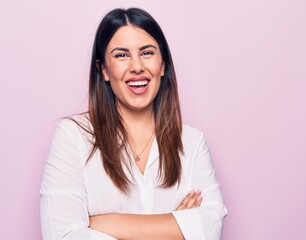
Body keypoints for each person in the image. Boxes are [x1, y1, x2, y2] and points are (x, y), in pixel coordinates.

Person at [40, 7, 227, 240]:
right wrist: (176, 227)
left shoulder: (192, 142)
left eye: (147, 53)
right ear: (104, 70)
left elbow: (210, 226)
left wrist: (104, 223)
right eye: (121, 55)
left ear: (163, 65)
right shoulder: (73, 137)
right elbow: (63, 235)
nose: (137, 66)